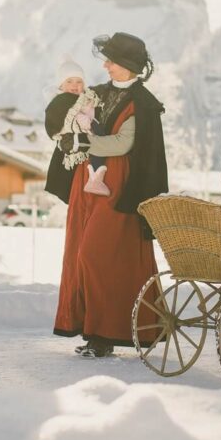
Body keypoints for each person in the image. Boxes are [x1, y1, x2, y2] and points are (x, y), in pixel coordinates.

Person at [51, 32, 169, 358]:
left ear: (129, 66)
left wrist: (85, 143)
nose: (105, 65)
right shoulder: (95, 93)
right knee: (80, 254)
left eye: (112, 61)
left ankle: (105, 332)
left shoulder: (143, 103)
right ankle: (96, 333)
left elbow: (124, 143)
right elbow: (71, 119)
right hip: (86, 181)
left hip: (120, 187)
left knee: (96, 255)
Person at [45, 58, 110, 197]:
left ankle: (96, 176)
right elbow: (56, 123)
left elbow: (94, 108)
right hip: (75, 145)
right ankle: (95, 178)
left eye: (79, 81)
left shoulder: (86, 98)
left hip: (90, 136)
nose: (75, 85)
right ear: (61, 85)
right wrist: (79, 122)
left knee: (100, 144)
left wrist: (93, 111)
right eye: (69, 81)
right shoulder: (59, 102)